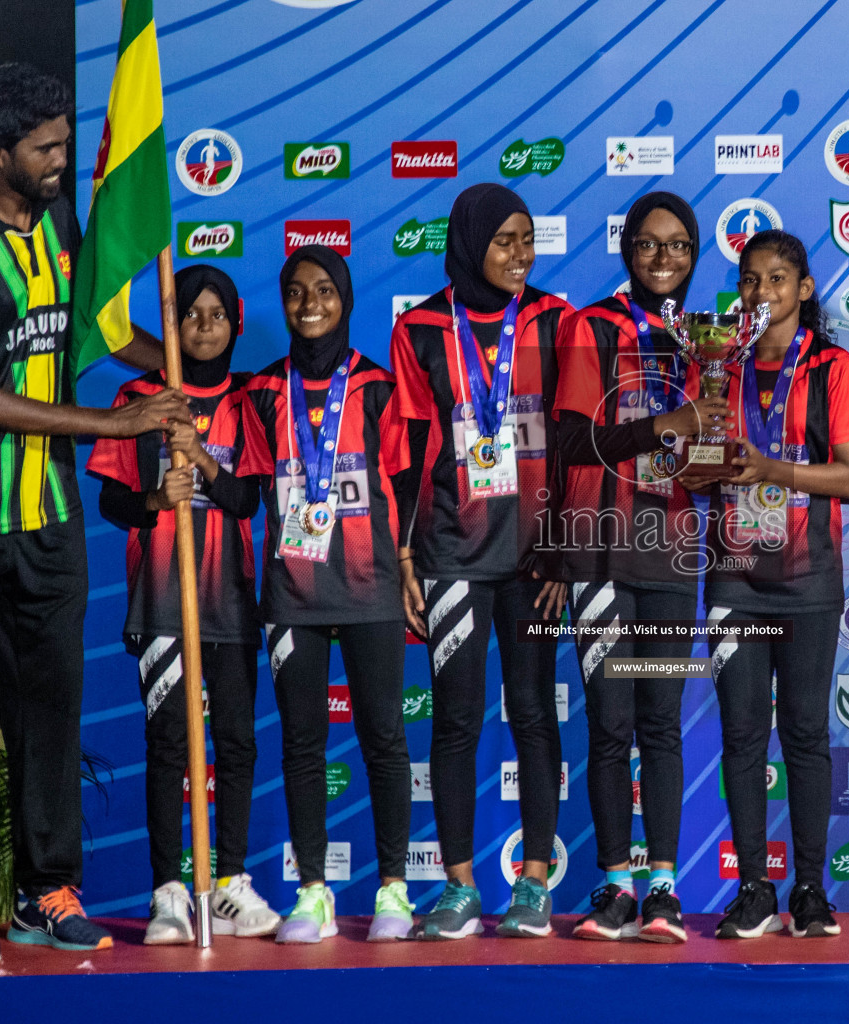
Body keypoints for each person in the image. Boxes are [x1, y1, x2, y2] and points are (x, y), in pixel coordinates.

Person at [0, 62, 188, 963]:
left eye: (66, 142)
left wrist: (183, 381)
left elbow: (98, 330)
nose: (65, 160)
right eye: (47, 148)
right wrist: (114, 420)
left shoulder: (60, 225)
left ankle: (44, 889)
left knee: (50, 712)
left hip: (49, 519)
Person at [391, 184, 571, 940]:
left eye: (528, 239)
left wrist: (564, 546)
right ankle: (459, 888)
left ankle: (534, 885)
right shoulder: (423, 327)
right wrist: (404, 552)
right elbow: (404, 447)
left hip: (533, 555)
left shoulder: (557, 321)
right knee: (457, 720)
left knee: (533, 713)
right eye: (503, 240)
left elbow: (572, 439)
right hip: (451, 552)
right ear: (468, 242)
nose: (519, 254)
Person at [86, 265, 279, 944]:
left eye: (216, 315)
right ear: (170, 329)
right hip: (163, 599)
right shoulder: (139, 397)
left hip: (228, 600)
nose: (203, 327)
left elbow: (250, 500)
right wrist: (153, 502)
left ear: (236, 325)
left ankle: (228, 882)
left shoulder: (247, 400)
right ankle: (169, 890)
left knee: (237, 741)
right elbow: (111, 500)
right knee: (168, 743)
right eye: (190, 315)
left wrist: (201, 459)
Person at [554, 192, 727, 942]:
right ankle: (614, 885)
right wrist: (669, 424)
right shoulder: (589, 326)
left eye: (680, 246)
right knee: (608, 725)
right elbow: (573, 443)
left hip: (672, 551)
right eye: (650, 245)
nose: (664, 259)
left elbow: (710, 455)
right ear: (628, 251)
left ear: (695, 255)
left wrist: (713, 444)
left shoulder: (709, 339)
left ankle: (663, 888)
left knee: (661, 724)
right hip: (598, 551)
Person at [695, 230, 849, 939]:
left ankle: (809, 891)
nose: (761, 292)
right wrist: (705, 463)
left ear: (804, 289)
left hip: (808, 581)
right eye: (750, 279)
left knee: (803, 734)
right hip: (734, 580)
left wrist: (775, 471)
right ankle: (752, 891)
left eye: (777, 279)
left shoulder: (832, 369)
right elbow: (694, 471)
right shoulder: (717, 369)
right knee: (741, 736)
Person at [239, 245, 415, 944]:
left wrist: (407, 565)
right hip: (292, 595)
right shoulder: (260, 393)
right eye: (295, 292)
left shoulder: (377, 387)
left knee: (384, 740)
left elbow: (404, 483)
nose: (310, 304)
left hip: (369, 588)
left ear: (345, 298)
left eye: (324, 291)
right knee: (303, 744)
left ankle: (394, 891)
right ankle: (313, 892)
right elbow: (242, 488)